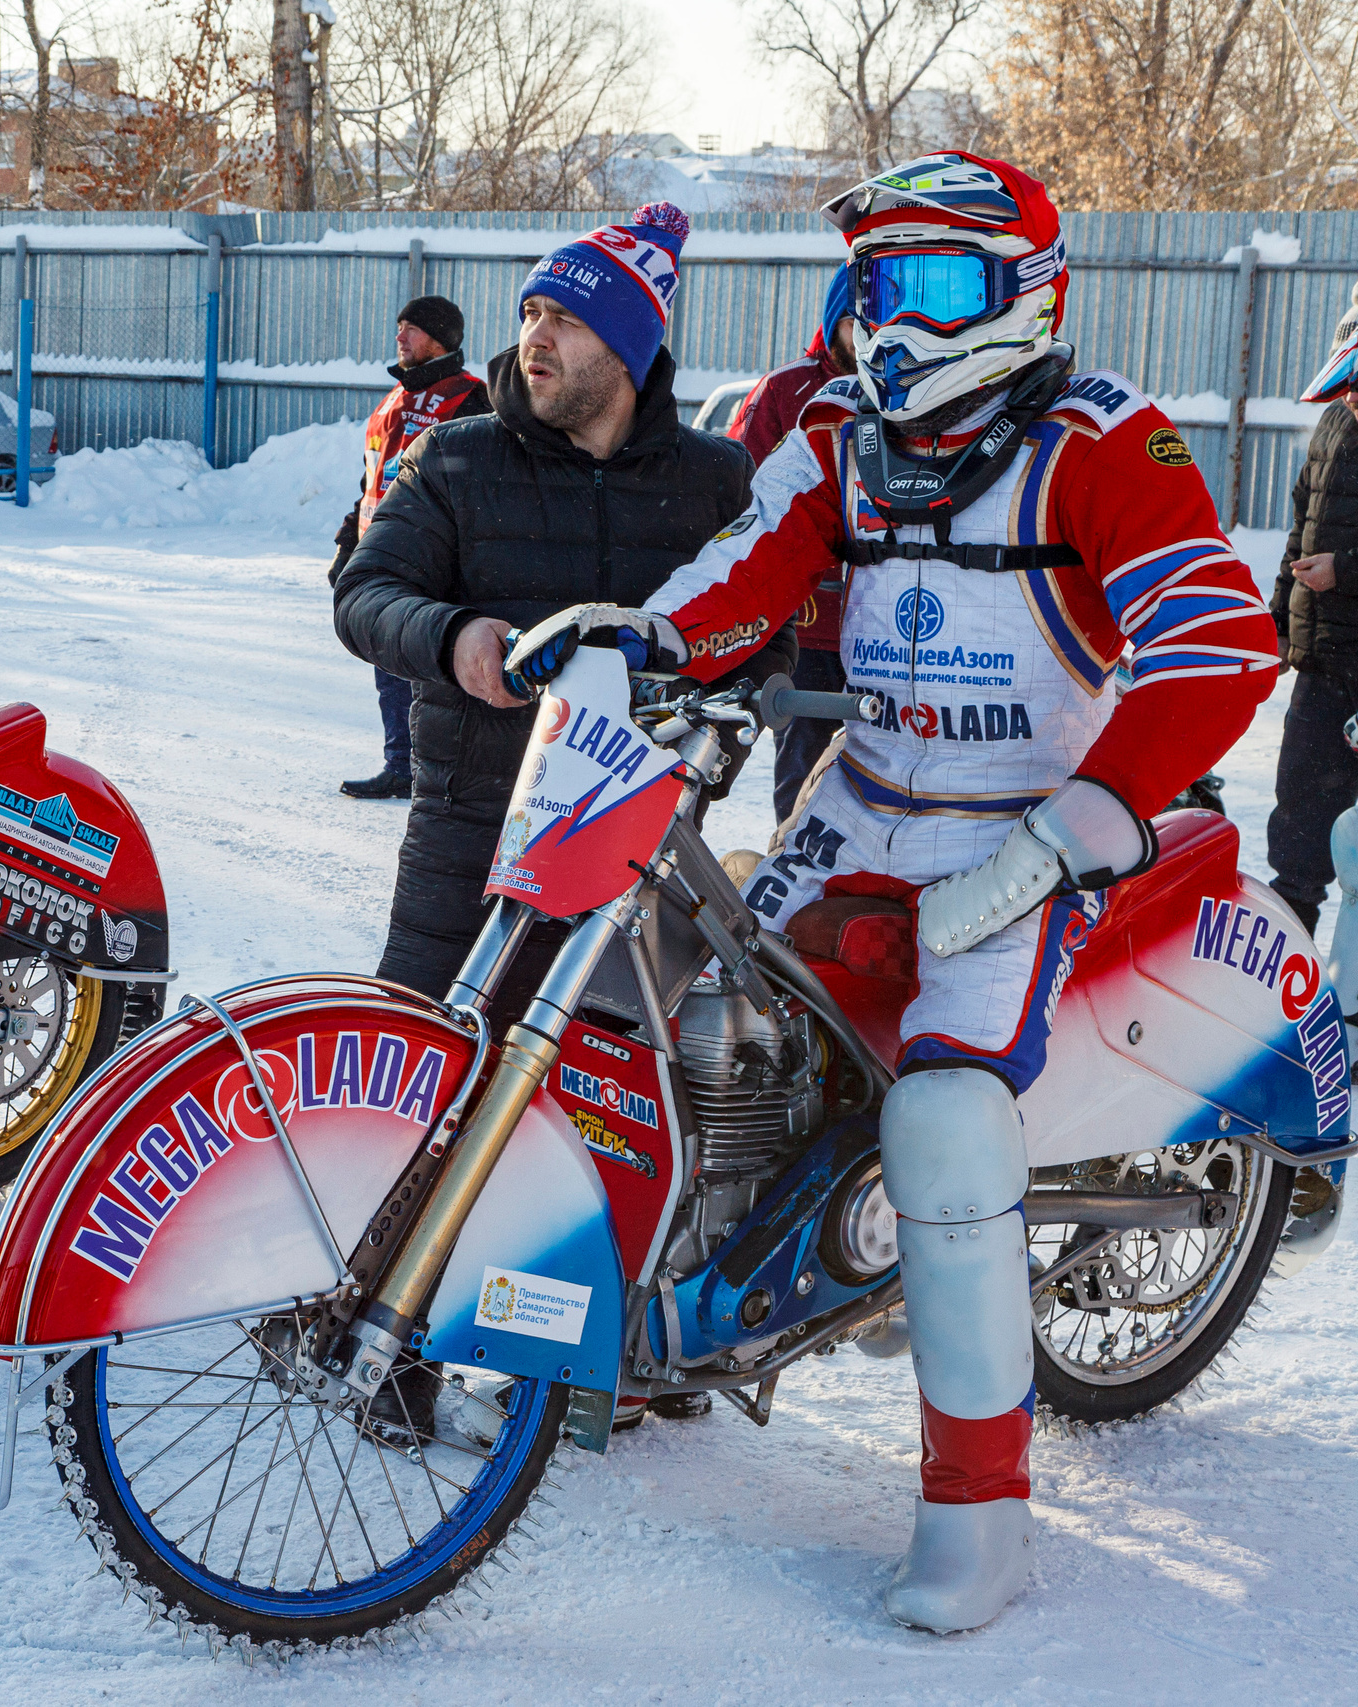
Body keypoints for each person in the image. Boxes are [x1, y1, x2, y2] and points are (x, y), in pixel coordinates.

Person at [506, 152, 1276, 1633]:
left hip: (1026, 825)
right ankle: (621, 1342)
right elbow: (741, 565)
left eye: (928, 285)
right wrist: (636, 643)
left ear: (1026, 293)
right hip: (858, 799)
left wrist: (1081, 823)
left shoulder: (1105, 439)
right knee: (684, 1006)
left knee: (940, 1110)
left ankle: (981, 1511)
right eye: (872, 284)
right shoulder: (844, 442)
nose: (891, 321)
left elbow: (1223, 639)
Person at [334, 203, 784, 1000]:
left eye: (567, 319)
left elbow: (766, 635)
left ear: (628, 349)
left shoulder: (715, 479)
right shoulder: (455, 456)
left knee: (609, 1103)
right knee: (423, 1078)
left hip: (641, 849)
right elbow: (365, 592)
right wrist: (454, 636)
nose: (534, 338)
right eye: (531, 312)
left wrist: (707, 743)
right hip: (468, 843)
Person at [332, 294, 490, 800]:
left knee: (440, 671)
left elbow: (487, 489)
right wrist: (346, 547)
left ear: (440, 339)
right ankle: (401, 764)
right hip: (384, 552)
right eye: (399, 325)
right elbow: (370, 482)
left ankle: (446, 773)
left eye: (411, 328)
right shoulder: (392, 403)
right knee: (390, 665)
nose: (399, 336)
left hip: (441, 556)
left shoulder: (473, 400)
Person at [729, 265, 859, 821]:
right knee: (803, 767)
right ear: (836, 324)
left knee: (887, 766)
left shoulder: (919, 396)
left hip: (892, 627)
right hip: (811, 627)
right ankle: (789, 875)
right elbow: (740, 498)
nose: (879, 333)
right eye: (861, 320)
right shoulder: (787, 390)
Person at [1265, 300, 1358, 932]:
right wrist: (1275, 625)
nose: (1351, 397)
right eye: (1347, 384)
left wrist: (1346, 570)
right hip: (1323, 665)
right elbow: (1300, 535)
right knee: (1298, 822)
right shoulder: (1331, 425)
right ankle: (1285, 970)